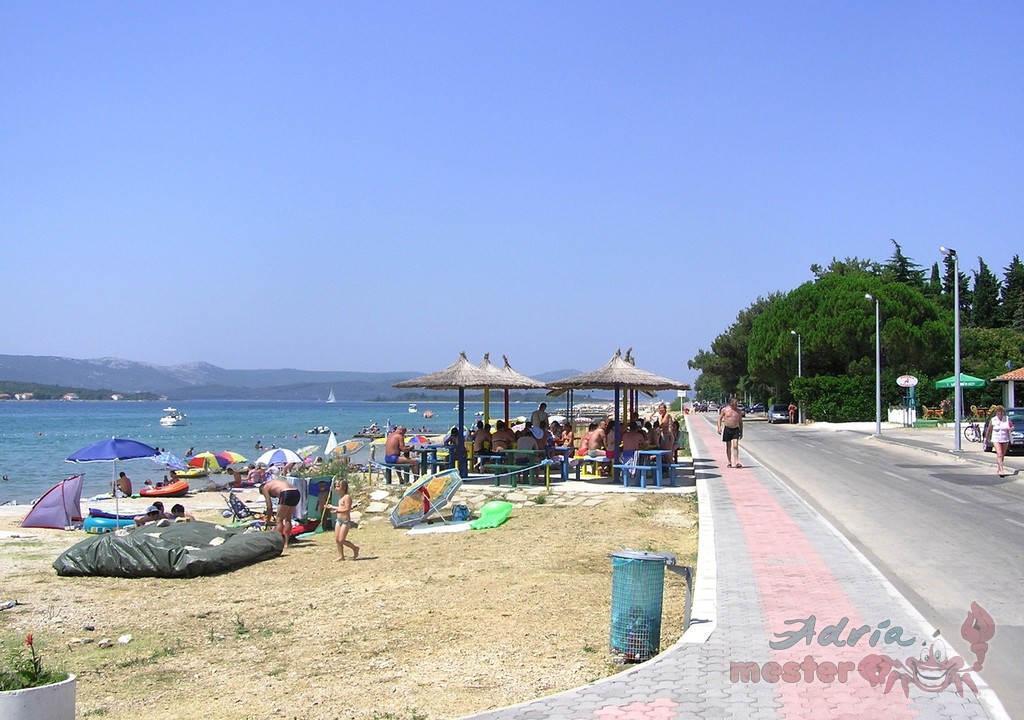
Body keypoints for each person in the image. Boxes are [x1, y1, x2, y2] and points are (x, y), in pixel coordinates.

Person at [262, 478, 301, 550]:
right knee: (288, 519)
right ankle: (286, 543)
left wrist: (267, 520)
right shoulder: (276, 482)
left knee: (279, 520)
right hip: (296, 492)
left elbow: (269, 507)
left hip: (286, 493)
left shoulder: (265, 488)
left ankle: (277, 543)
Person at [326, 478, 360, 561]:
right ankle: (341, 556)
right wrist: (332, 507)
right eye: (336, 486)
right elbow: (341, 507)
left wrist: (337, 511)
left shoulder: (347, 497)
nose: (336, 488)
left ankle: (355, 548)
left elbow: (347, 509)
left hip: (345, 522)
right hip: (339, 521)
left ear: (344, 487)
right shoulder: (340, 497)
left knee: (341, 540)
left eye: (338, 486)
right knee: (337, 540)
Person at [986, 405, 1014, 478]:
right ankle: (1001, 470)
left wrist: (1010, 429)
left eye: (1001, 413)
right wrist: (986, 439)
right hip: (996, 439)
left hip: (1005, 439)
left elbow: (1012, 426)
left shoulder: (1007, 419)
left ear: (1003, 413)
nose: (1000, 414)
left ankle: (999, 468)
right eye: (998, 413)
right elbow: (989, 430)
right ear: (996, 413)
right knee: (999, 454)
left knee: (1002, 455)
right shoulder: (993, 420)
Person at [718, 396, 744, 468]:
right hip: (727, 429)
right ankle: (729, 462)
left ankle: (736, 462)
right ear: (730, 403)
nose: (735, 404)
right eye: (734, 403)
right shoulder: (725, 410)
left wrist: (741, 432)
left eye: (736, 403)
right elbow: (719, 418)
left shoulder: (738, 411)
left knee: (735, 445)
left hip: (735, 429)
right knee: (728, 446)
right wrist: (719, 427)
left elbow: (740, 422)